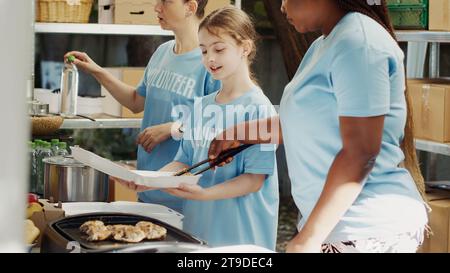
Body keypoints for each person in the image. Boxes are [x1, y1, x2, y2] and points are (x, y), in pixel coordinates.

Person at [208, 0, 429, 253]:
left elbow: (361, 152)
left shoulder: (358, 42)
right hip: (338, 228)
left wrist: (309, 238)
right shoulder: (323, 45)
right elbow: (303, 122)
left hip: (365, 228)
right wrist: (238, 134)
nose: (282, 7)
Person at [126, 7, 279, 250]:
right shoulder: (201, 106)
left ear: (245, 48)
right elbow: (184, 162)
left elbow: (254, 180)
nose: (210, 58)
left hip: (241, 240)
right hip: (198, 236)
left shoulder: (260, 110)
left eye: (219, 49)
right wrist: (151, 180)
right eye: (204, 50)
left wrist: (205, 194)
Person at [64, 0, 220, 213]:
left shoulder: (211, 63)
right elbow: (136, 101)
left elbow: (221, 124)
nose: (157, 8)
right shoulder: (162, 52)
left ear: (190, 7)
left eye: (166, 2)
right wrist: (96, 71)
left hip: (185, 198)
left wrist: (173, 128)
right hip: (148, 191)